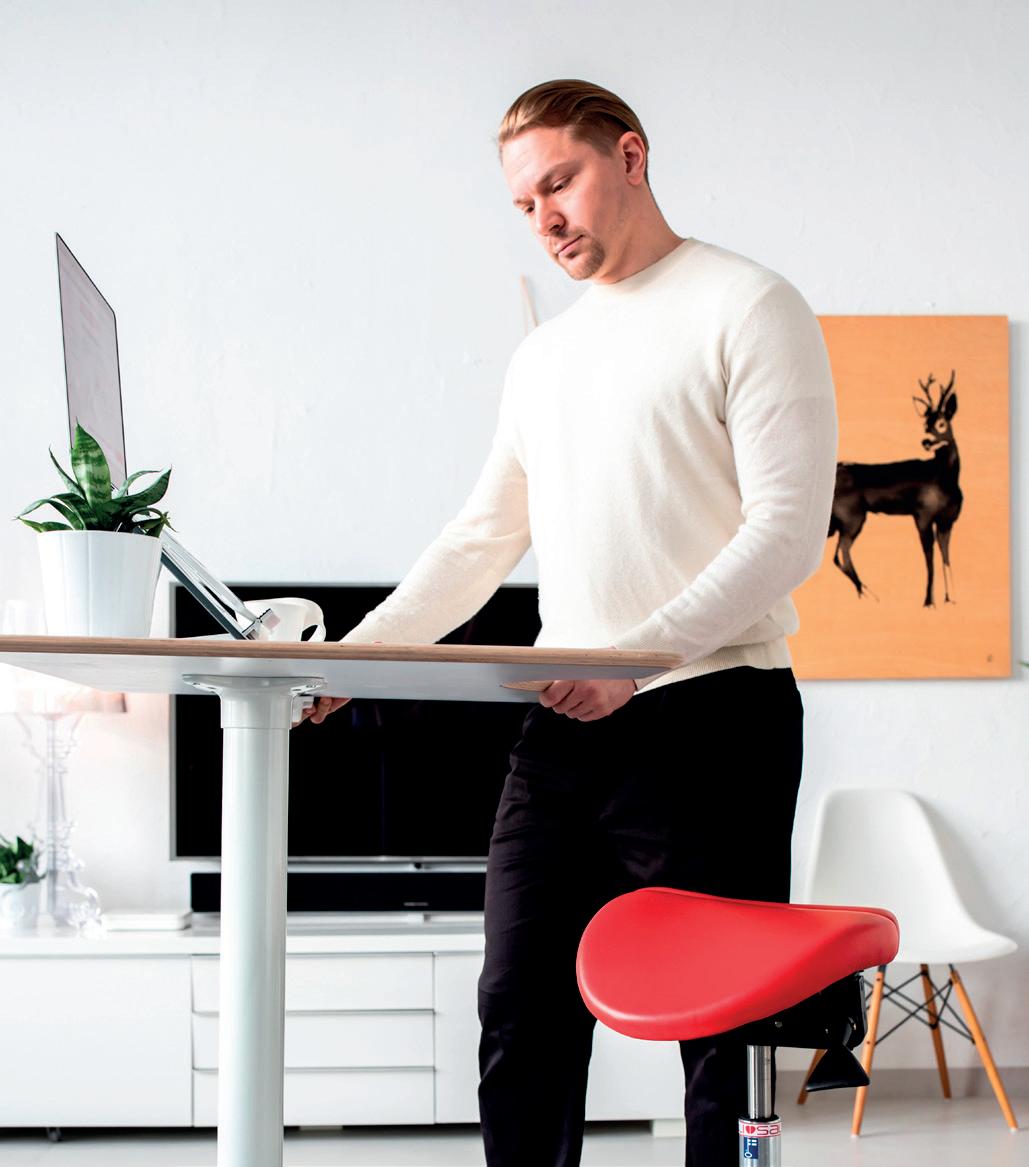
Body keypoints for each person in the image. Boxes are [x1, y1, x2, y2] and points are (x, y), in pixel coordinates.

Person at [298, 78, 838, 1167]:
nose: (544, 218)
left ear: (629, 157)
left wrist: (634, 662)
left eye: (560, 182)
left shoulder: (748, 304)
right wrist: (357, 658)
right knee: (519, 1006)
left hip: (712, 716)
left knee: (719, 1035)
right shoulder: (544, 357)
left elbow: (788, 533)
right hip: (566, 726)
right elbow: (478, 540)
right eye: (523, 203)